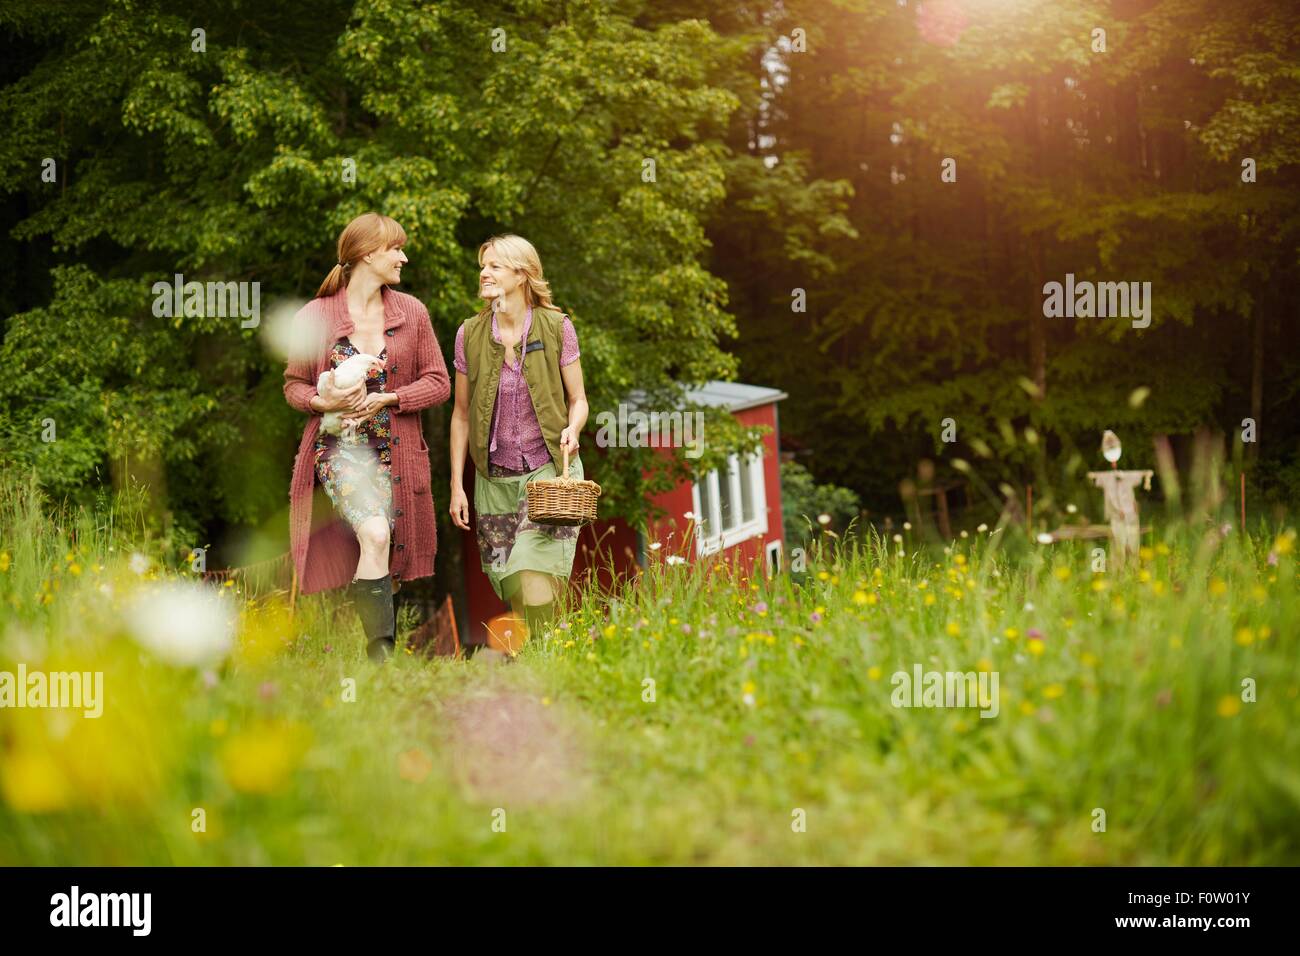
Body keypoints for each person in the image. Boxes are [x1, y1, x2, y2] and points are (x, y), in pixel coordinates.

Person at [284, 212, 450, 661]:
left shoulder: (411, 313)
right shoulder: (315, 316)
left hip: (397, 454)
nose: (403, 256)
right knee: (375, 535)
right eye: (395, 248)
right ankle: (381, 660)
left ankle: (369, 652)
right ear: (366, 254)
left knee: (385, 555)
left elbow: (439, 381)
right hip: (342, 450)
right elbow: (294, 385)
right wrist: (324, 404)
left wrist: (388, 398)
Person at [448, 234, 589, 641]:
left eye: (494, 265)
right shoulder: (469, 334)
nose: (484, 272)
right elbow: (460, 415)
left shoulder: (556, 326)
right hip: (493, 482)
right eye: (483, 265)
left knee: (531, 573)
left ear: (522, 274)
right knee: (511, 581)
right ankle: (546, 654)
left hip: (546, 476)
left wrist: (573, 428)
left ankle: (546, 656)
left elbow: (578, 399)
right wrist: (458, 485)